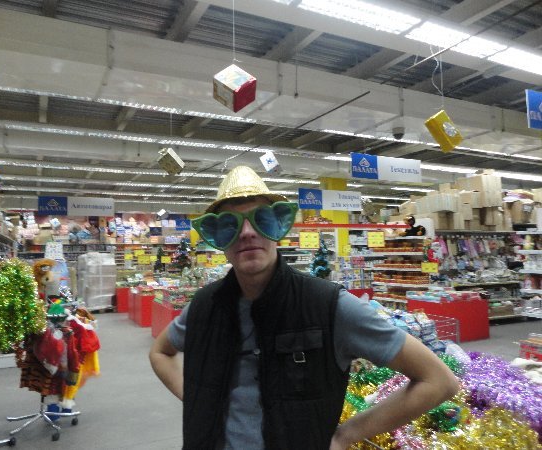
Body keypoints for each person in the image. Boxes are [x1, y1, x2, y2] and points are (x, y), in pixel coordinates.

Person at [149, 165, 459, 450]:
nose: (247, 232)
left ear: (279, 227)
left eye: (261, 219)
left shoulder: (328, 307)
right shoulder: (204, 306)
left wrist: (344, 436)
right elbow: (160, 352)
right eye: (230, 225)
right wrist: (200, 401)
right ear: (218, 236)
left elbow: (438, 380)